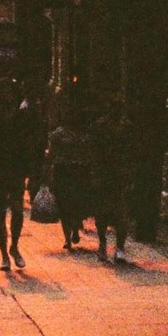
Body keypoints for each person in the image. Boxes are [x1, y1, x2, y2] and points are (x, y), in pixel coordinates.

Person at [0, 85, 36, 270]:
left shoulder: (21, 120)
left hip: (16, 170)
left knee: (17, 209)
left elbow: (28, 146)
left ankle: (14, 246)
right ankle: (4, 255)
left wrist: (31, 172)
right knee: (0, 213)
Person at [46, 105, 93, 251]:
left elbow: (89, 154)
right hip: (63, 172)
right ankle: (67, 237)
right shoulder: (58, 134)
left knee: (78, 203)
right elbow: (51, 154)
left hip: (80, 172)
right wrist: (47, 172)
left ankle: (75, 227)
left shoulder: (85, 135)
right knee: (64, 206)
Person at [91, 100, 132, 262]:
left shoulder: (127, 127)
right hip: (104, 173)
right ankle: (102, 243)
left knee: (122, 212)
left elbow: (131, 151)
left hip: (120, 174)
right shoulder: (99, 126)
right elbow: (93, 151)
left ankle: (120, 247)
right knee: (102, 211)